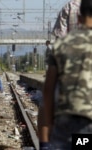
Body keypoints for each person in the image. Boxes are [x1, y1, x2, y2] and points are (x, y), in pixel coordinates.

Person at [38, 0, 92, 149]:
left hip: (69, 111)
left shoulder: (70, 6)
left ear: (80, 18)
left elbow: (48, 89)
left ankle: (44, 145)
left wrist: (49, 123)